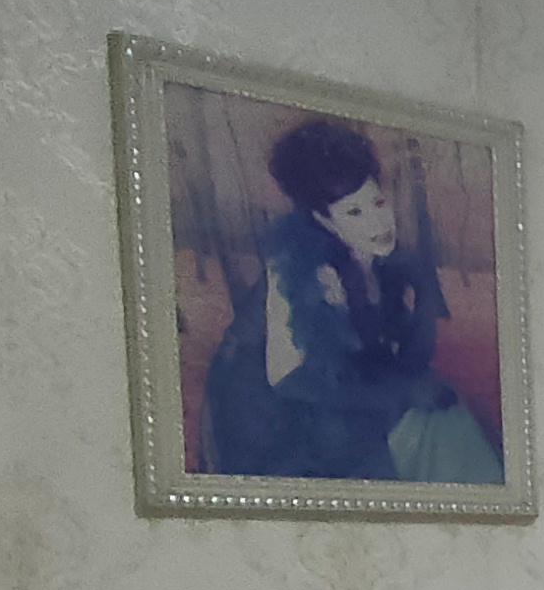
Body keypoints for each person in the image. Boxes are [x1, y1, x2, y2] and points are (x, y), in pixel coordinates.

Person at [199, 117, 504, 484]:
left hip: (344, 395)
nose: (378, 222)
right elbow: (287, 379)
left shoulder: (375, 261)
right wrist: (397, 395)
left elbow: (393, 356)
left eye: (377, 203)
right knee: (415, 433)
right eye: (354, 212)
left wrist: (423, 296)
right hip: (278, 425)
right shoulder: (300, 271)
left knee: (447, 414)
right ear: (323, 220)